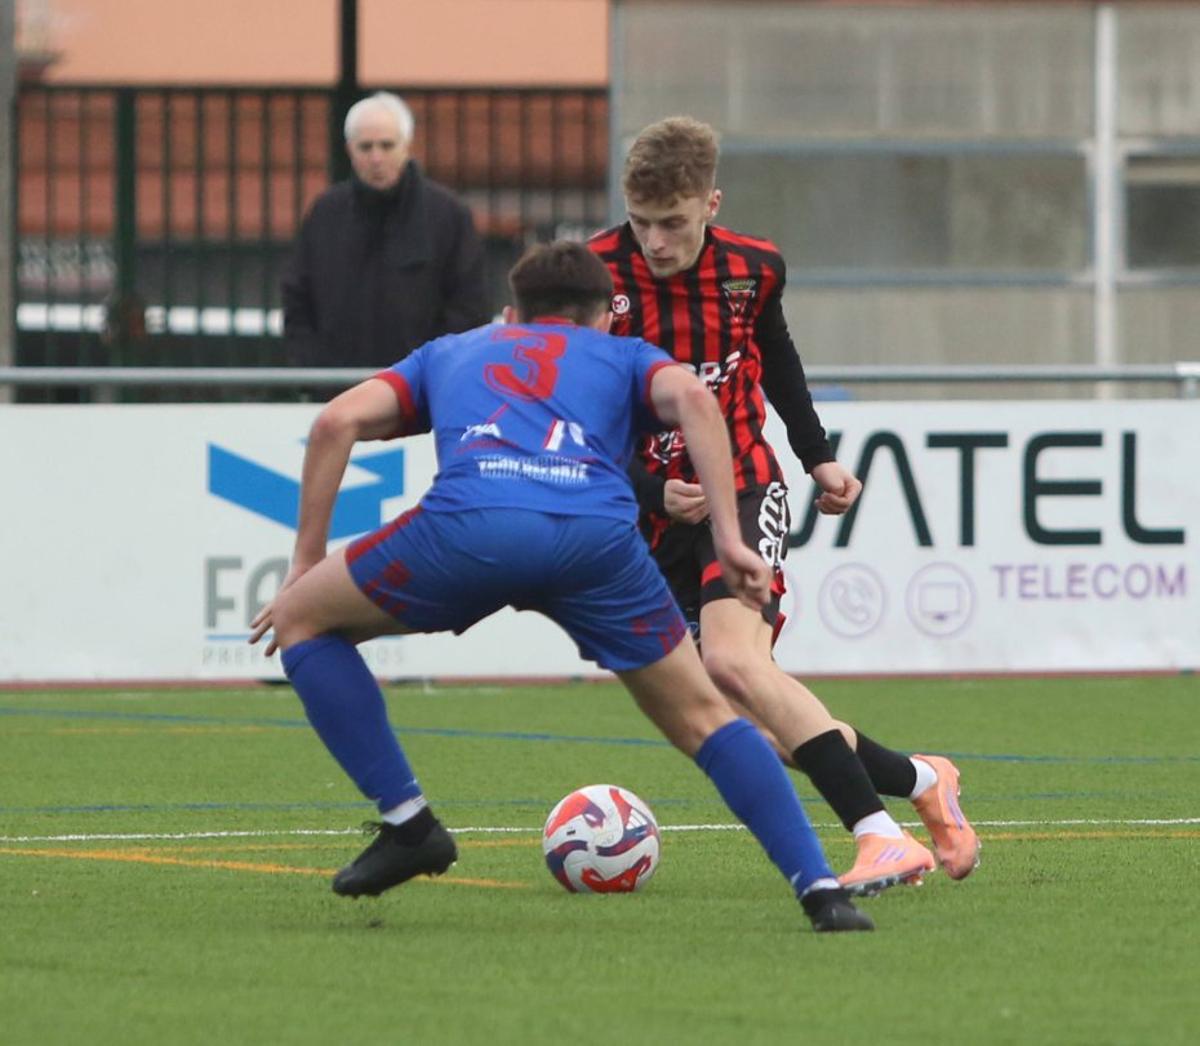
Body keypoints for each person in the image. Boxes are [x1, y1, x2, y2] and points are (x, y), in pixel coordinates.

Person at [249, 241, 874, 933]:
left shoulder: (452, 351)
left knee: (302, 623)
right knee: (707, 719)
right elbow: (697, 400)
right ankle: (822, 890)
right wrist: (728, 535)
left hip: (468, 532)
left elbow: (335, 421)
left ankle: (409, 822)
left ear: (511, 313)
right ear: (607, 315)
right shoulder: (626, 355)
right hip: (596, 546)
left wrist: (304, 564)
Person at [589, 117, 980, 892]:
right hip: (647, 512)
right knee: (753, 728)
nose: (656, 243)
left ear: (711, 203)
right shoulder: (596, 275)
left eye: (673, 223)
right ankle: (922, 780)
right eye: (642, 224)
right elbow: (579, 406)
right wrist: (646, 489)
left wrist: (818, 456)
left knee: (737, 661)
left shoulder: (752, 268)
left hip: (745, 486)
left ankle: (879, 838)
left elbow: (777, 359)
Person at [281, 91, 490, 377]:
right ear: (349, 149)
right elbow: (297, 299)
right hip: (338, 390)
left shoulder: (447, 216)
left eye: (386, 145)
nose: (376, 158)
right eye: (365, 147)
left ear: (406, 146)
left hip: (421, 394)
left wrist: (430, 373)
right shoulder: (325, 214)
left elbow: (469, 307)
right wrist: (315, 369)